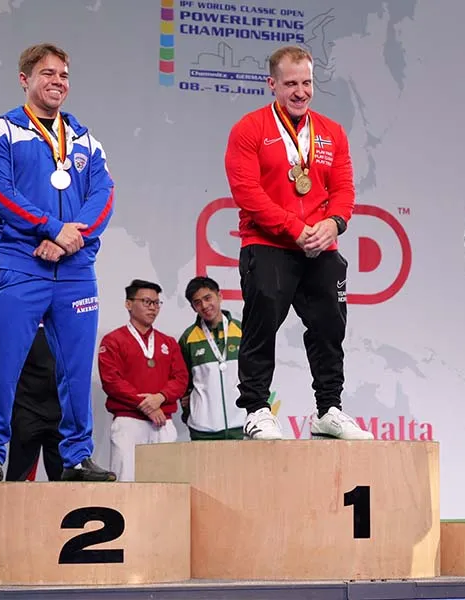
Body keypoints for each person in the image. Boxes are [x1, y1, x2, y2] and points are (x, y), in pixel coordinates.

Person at [0, 43, 115, 482]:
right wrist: (52, 227)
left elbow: (103, 196)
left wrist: (69, 240)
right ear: (25, 79)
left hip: (75, 269)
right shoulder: (1, 132)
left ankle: (76, 456)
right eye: (48, 73)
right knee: (2, 364)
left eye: (64, 75)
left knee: (75, 369)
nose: (58, 82)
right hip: (21, 263)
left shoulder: (86, 141)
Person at [223, 45, 373, 441]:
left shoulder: (331, 132)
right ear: (272, 84)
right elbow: (247, 192)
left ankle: (329, 409)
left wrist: (334, 224)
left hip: (321, 246)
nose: (300, 92)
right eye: (291, 83)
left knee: (330, 328)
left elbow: (343, 188)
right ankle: (256, 410)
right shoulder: (249, 129)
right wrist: (294, 227)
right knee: (261, 325)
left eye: (307, 83)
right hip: (268, 243)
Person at [98, 280, 188, 481]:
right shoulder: (113, 340)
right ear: (128, 304)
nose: (153, 308)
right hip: (129, 421)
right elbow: (112, 381)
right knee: (126, 481)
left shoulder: (168, 342)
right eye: (147, 302)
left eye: (156, 303)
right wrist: (146, 405)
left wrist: (160, 397)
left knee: (167, 483)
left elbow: (181, 378)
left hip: (163, 422)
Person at [178, 276, 246, 440]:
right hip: (203, 430)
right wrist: (189, 409)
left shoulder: (242, 330)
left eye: (208, 298)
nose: (204, 306)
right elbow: (182, 380)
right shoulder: (188, 338)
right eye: (197, 303)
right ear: (193, 307)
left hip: (241, 424)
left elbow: (255, 371)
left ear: (219, 296)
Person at [6, 325, 63, 481]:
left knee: (64, 482)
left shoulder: (67, 330)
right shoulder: (22, 330)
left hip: (60, 414)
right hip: (27, 411)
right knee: (18, 479)